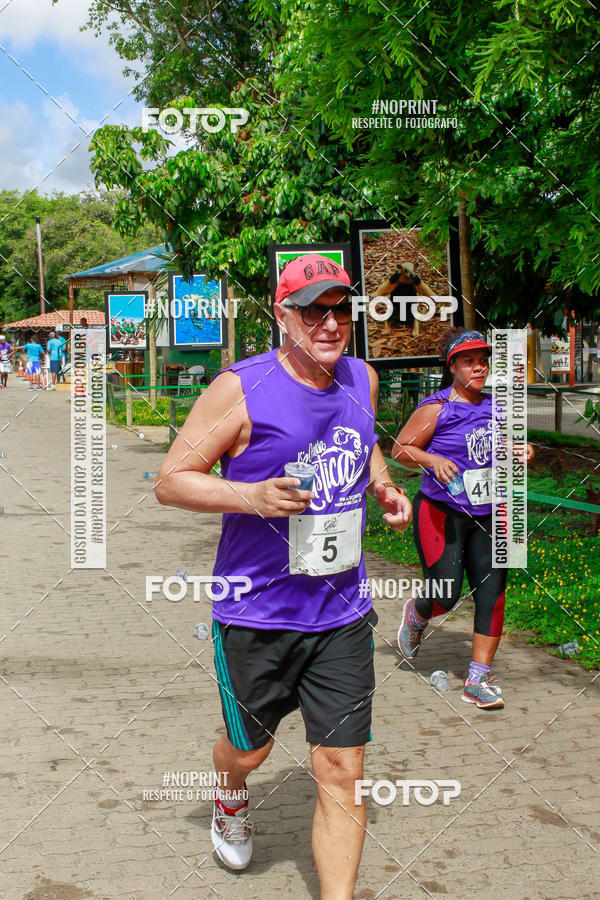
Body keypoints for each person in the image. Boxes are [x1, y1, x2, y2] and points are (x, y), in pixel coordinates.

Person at [155, 253, 412, 896]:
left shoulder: (363, 377)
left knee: (342, 771)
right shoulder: (239, 389)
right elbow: (171, 481)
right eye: (313, 310)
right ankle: (231, 793)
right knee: (251, 752)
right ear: (282, 314)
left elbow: (364, 438)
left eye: (341, 310)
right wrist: (253, 498)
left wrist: (381, 485)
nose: (330, 324)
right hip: (256, 614)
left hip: (341, 614)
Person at [393, 328, 534, 710]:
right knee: (447, 593)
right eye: (469, 361)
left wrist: (523, 450)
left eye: (482, 360)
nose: (478, 367)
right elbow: (400, 448)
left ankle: (477, 679)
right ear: (452, 365)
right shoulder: (437, 408)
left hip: (492, 513)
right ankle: (418, 613)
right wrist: (432, 459)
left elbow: (507, 447)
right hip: (443, 513)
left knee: (493, 595)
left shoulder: (498, 406)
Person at [375, 262, 436, 337]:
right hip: (396, 300)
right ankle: (387, 327)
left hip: (410, 301)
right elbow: (387, 286)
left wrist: (432, 296)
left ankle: (415, 328)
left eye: (412, 271)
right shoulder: (396, 278)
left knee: (414, 313)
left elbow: (422, 288)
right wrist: (377, 293)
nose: (410, 275)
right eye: (406, 271)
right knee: (390, 311)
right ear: (400, 269)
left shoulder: (414, 279)